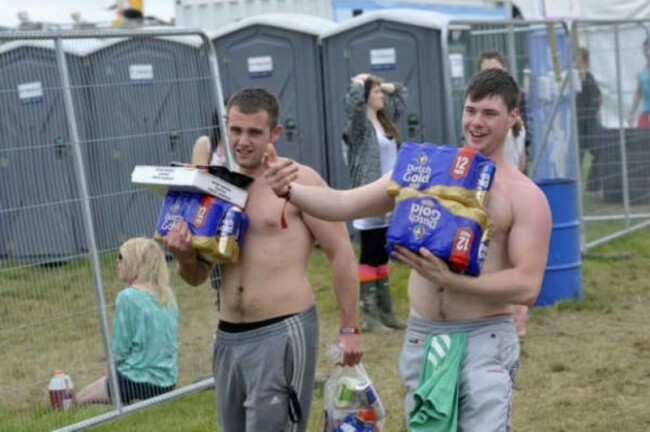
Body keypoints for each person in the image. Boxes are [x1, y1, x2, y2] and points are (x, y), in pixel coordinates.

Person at [265, 68, 552, 431]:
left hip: (484, 337)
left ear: (513, 117)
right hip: (424, 335)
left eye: (489, 113)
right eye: (470, 110)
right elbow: (343, 203)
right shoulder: (427, 170)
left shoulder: (525, 196)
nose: (476, 122)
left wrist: (451, 280)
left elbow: (527, 286)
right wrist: (288, 190)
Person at [164, 87, 363, 431]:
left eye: (255, 132)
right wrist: (183, 256)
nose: (243, 141)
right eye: (236, 130)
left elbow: (341, 254)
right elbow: (197, 276)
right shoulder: (219, 187)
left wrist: (349, 328)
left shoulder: (298, 180)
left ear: (274, 133)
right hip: (228, 336)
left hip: (282, 332)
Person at [76, 237, 179, 405]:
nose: (117, 261)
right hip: (167, 383)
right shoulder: (167, 295)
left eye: (121, 257)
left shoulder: (127, 297)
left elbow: (120, 349)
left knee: (80, 399)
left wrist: (110, 371)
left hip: (136, 381)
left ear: (134, 262)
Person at [342, 72, 407, 333]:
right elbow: (353, 105)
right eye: (377, 91)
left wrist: (385, 84)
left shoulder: (385, 122)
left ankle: (386, 311)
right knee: (369, 254)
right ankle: (369, 314)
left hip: (390, 196)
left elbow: (402, 95)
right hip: (369, 195)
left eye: (381, 91)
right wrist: (358, 83)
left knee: (382, 253)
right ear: (366, 97)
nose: (382, 95)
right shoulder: (359, 127)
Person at [477, 50, 530, 338]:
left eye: (495, 71)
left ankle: (518, 317)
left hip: (510, 194)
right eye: (485, 71)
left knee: (516, 260)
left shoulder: (516, 127)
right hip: (486, 195)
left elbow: (520, 161)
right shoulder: (480, 118)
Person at [191, 110, 228, 308]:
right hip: (210, 214)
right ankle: (222, 306)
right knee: (215, 270)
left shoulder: (240, 147)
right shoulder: (206, 144)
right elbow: (198, 176)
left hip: (232, 215)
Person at [478, 50, 527, 173]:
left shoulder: (516, 102)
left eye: (496, 72)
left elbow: (522, 158)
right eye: (487, 73)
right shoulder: (476, 116)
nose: (492, 78)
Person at [575, 47, 603, 192]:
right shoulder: (576, 77)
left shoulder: (586, 77)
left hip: (584, 122)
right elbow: (599, 98)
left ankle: (589, 187)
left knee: (596, 153)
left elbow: (599, 97)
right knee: (596, 152)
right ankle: (588, 187)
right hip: (583, 122)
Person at [627, 38, 650, 128]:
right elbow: (638, 94)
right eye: (645, 50)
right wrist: (631, 113)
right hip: (645, 112)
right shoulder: (642, 73)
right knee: (641, 138)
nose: (648, 53)